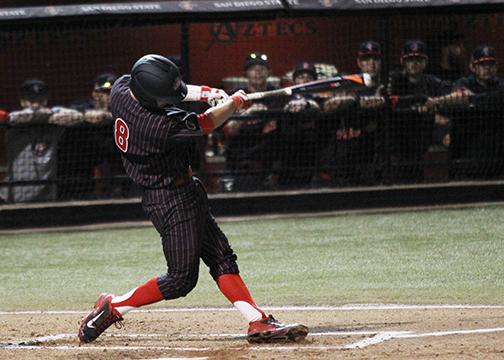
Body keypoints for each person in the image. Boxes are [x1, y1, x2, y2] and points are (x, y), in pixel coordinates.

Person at [78, 54, 308, 344]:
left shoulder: (123, 89)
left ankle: (257, 321)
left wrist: (210, 93)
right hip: (169, 199)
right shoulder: (157, 127)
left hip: (185, 190)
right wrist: (233, 104)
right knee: (181, 279)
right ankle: (114, 306)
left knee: (222, 257)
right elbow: (207, 122)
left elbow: (178, 91)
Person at [0, 79, 83, 203]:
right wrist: (47, 116)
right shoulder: (14, 123)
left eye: (40, 101)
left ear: (46, 101)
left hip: (46, 199)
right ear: (22, 102)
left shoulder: (54, 123)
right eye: (31, 101)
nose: (36, 105)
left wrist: (52, 115)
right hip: (13, 199)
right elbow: (23, 116)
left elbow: (78, 117)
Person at [427, 45, 504, 178]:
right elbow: (451, 105)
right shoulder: (462, 83)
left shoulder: (500, 85)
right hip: (466, 155)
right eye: (482, 64)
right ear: (473, 67)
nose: (487, 68)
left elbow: (499, 100)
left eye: (490, 64)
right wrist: (486, 103)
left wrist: (471, 99)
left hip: (495, 158)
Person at [386, 40, 452, 182]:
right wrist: (419, 109)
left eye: (418, 59)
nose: (414, 63)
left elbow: (448, 99)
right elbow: (391, 106)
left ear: (425, 62)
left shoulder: (432, 81)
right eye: (410, 60)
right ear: (403, 61)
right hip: (401, 133)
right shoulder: (395, 80)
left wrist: (436, 106)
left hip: (425, 131)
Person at [321, 41, 386, 184]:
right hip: (342, 148)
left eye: (375, 59)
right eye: (366, 60)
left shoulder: (386, 84)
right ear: (359, 62)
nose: (372, 64)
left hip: (371, 149)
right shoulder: (350, 82)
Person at [222, 52, 284, 191]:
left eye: (262, 69)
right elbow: (229, 131)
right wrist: (249, 112)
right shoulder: (235, 97)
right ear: (246, 74)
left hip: (270, 158)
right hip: (240, 158)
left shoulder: (278, 96)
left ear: (269, 73)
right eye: (253, 69)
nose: (258, 73)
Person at [278, 62, 322, 187]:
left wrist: (309, 104)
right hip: (289, 156)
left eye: (309, 77)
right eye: (301, 77)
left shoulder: (321, 97)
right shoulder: (285, 97)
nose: (305, 80)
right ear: (295, 80)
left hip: (314, 155)